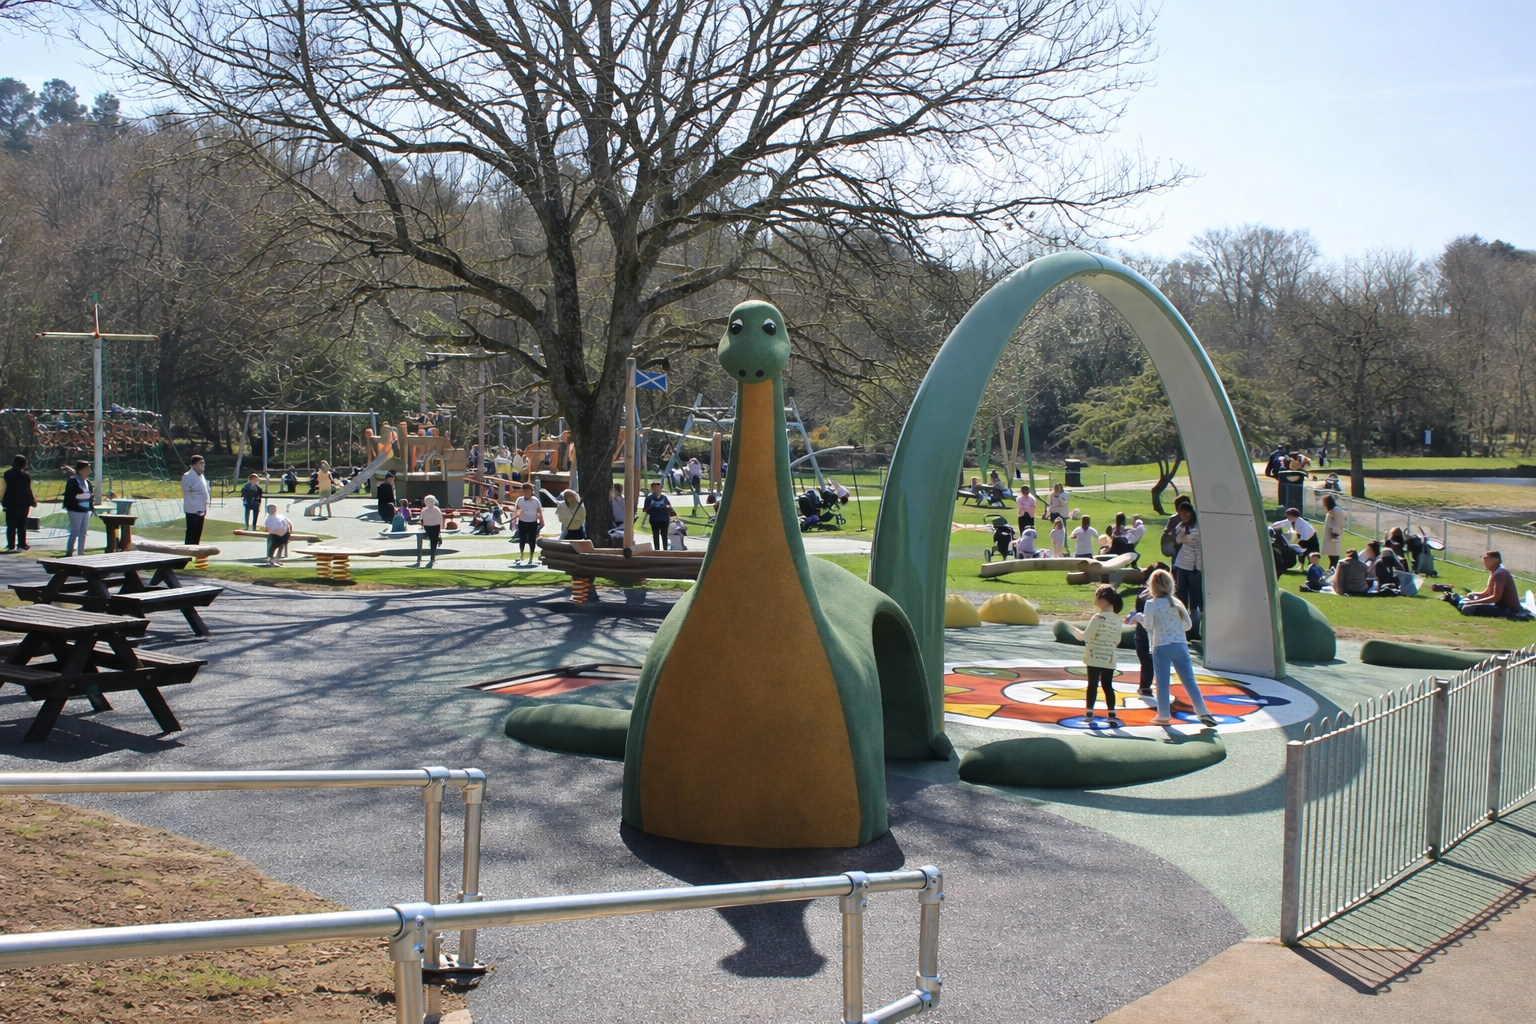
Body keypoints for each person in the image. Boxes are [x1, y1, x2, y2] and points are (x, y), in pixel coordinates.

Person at [1132, 568, 1217, 727]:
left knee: (1163, 682)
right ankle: (1203, 712)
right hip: (1180, 645)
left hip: (1161, 646)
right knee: (1189, 681)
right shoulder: (1177, 602)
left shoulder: (1151, 603)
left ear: (1152, 587)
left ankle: (1163, 715)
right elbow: (1187, 625)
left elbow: (1149, 625)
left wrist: (1139, 618)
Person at [1072, 584, 1124, 729]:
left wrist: (1075, 631)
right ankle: (1111, 713)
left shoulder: (1097, 617)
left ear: (1103, 599)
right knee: (1108, 685)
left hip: (1094, 655)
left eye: (1096, 596)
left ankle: (1089, 712)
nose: (1095, 599)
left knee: (1093, 684)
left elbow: (1085, 636)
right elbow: (1117, 640)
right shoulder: (1116, 619)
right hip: (1109, 656)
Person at [1126, 561, 1170, 697]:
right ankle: (1149, 686)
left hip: (1141, 635)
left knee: (1146, 662)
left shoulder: (1141, 594)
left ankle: (1145, 686)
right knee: (1152, 662)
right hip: (1152, 636)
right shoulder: (1157, 599)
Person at [1446, 551, 1522, 618]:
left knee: (1467, 608)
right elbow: (1488, 592)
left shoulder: (1500, 574)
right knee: (1468, 600)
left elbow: (1496, 598)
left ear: (1495, 560)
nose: (1484, 561)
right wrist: (1475, 594)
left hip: (1508, 609)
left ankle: (1457, 601)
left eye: (1486, 558)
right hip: (1499, 605)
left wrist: (1472, 602)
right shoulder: (1494, 572)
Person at [1172, 502, 1202, 625]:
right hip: (1182, 562)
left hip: (1195, 564)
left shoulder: (1198, 525)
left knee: (1195, 591)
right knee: (1181, 591)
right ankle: (1181, 616)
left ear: (1189, 513)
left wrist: (1185, 536)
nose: (1181, 516)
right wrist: (1184, 536)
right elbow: (1178, 539)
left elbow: (1193, 537)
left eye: (1183, 513)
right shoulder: (1181, 525)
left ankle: (1196, 618)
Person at [62, 461, 92, 557]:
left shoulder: (88, 482)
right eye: (86, 469)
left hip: (85, 510)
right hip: (75, 510)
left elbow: (89, 496)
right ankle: (69, 553)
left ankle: (81, 552)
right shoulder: (73, 481)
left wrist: (90, 506)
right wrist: (79, 501)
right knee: (75, 531)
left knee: (83, 532)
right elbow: (70, 497)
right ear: (80, 470)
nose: (89, 471)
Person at [181, 455, 210, 545]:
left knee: (198, 530)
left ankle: (196, 549)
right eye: (200, 463)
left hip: (202, 507)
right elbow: (186, 490)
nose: (203, 465)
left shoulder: (202, 477)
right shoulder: (187, 476)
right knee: (191, 530)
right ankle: (188, 550)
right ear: (193, 465)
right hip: (192, 508)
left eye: (203, 463)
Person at [512, 482, 544, 565]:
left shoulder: (536, 501)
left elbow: (539, 512)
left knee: (532, 540)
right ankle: (521, 555)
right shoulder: (519, 500)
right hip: (522, 522)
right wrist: (515, 520)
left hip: (532, 523)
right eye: (525, 491)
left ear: (531, 491)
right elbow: (517, 510)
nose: (526, 493)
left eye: (528, 491)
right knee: (522, 539)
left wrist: (541, 522)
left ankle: (531, 557)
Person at [642, 481, 673, 551]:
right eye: (656, 488)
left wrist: (668, 508)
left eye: (659, 488)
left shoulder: (664, 498)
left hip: (664, 519)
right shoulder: (649, 498)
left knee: (664, 535)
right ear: (652, 489)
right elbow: (646, 509)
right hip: (654, 520)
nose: (658, 490)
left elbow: (669, 506)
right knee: (655, 535)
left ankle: (665, 550)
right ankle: (657, 550)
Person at [418, 494, 444, 566]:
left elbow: (421, 519)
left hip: (428, 527)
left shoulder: (424, 510)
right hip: (436, 527)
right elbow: (440, 520)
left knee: (432, 540)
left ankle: (432, 557)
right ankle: (432, 557)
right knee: (434, 542)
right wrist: (440, 530)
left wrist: (422, 526)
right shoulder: (437, 510)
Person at [1321, 494, 1343, 568]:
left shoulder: (1336, 510)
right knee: (1332, 558)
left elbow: (1339, 522)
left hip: (1334, 538)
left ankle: (1333, 574)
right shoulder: (1332, 510)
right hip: (1330, 538)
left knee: (1334, 559)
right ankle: (1332, 574)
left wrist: (1335, 535)